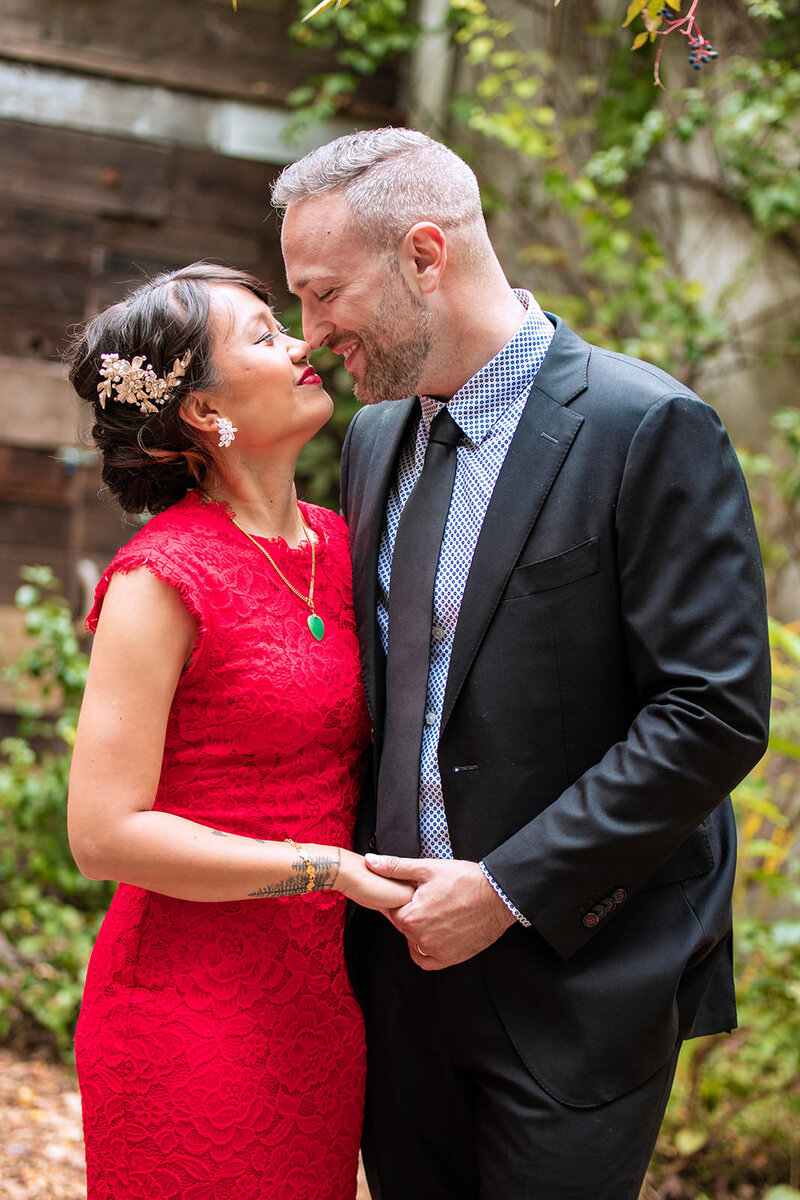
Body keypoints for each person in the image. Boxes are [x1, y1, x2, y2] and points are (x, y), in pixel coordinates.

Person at [272, 128, 772, 1200]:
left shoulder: (650, 427)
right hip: (398, 981)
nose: (308, 338)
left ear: (422, 255)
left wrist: (504, 890)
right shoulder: (371, 438)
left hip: (579, 975)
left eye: (322, 295)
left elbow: (711, 710)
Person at [66, 262, 413, 1200]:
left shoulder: (350, 544)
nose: (301, 343)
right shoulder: (161, 577)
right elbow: (104, 834)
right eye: (263, 336)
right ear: (197, 411)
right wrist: (328, 868)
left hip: (319, 1009)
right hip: (187, 1012)